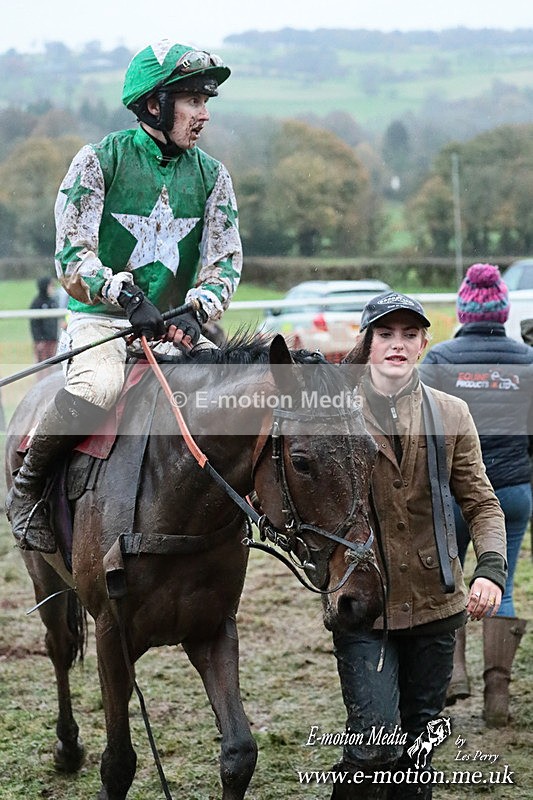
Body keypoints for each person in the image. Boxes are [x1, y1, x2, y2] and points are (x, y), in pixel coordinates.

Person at [6, 39, 242, 554]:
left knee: (229, 398)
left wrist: (200, 308)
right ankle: (27, 488)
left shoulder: (213, 175)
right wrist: (124, 294)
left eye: (206, 102)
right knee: (96, 390)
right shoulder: (97, 161)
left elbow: (225, 260)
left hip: (175, 325)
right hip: (103, 320)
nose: (203, 114)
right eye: (193, 101)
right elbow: (71, 254)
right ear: (155, 104)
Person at [330, 291, 506, 800]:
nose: (397, 344)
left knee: (418, 741)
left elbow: (482, 504)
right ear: (366, 344)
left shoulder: (452, 413)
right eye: (385, 334)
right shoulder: (333, 415)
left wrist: (489, 570)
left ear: (426, 343)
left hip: (437, 603)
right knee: (372, 740)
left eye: (409, 334)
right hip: (362, 604)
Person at [419, 264, 533, 726]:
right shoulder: (526, 360)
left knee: (451, 581)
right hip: (512, 492)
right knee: (498, 583)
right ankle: (498, 700)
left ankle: (454, 676)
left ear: (463, 310)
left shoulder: (441, 361)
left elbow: (420, 432)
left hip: (451, 495)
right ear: (503, 311)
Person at [29, 276, 60, 376]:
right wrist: (38, 340)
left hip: (53, 340)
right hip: (42, 341)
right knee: (42, 366)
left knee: (53, 365)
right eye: (51, 286)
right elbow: (34, 324)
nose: (53, 288)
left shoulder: (53, 302)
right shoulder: (37, 303)